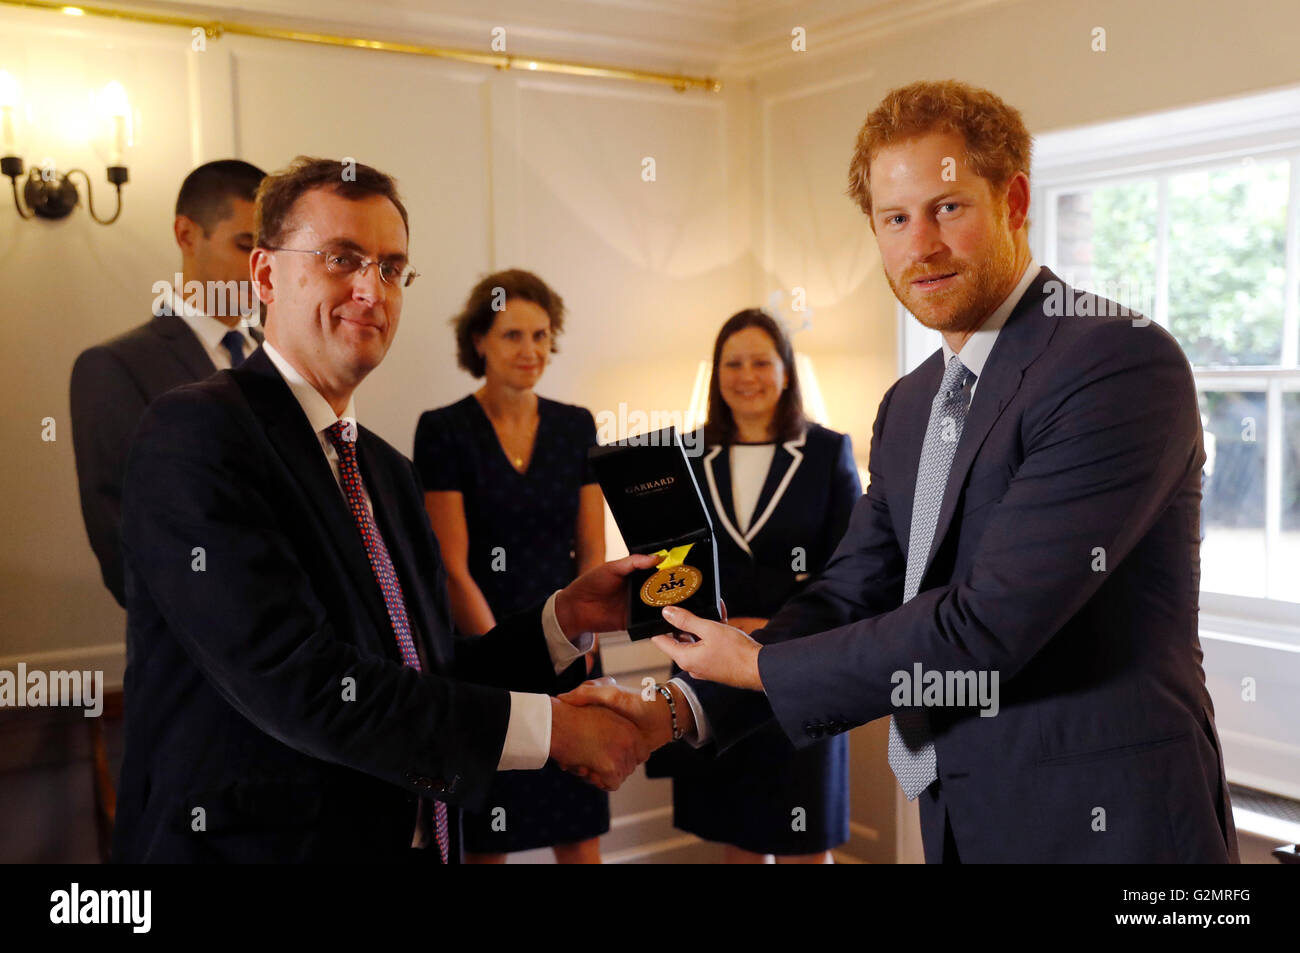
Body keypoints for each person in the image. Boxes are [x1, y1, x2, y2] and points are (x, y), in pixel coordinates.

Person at [564, 80, 1239, 864]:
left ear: (1014, 199)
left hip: (1110, 824)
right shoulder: (912, 403)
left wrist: (759, 661)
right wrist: (673, 709)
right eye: (895, 218)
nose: (920, 245)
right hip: (957, 813)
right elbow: (851, 592)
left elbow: (986, 626)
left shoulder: (1115, 362)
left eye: (948, 207)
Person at [112, 156, 655, 863]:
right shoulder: (196, 433)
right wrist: (551, 728)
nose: (371, 289)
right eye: (343, 258)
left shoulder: (388, 470)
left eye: (392, 267)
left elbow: (429, 670)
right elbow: (299, 680)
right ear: (267, 275)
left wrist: (565, 619)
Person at [415, 269, 610, 864]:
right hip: (483, 657)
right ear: (479, 342)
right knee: (486, 837)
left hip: (568, 650)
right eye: (512, 336)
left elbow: (592, 554)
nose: (531, 351)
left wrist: (579, 640)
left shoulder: (576, 425)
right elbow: (451, 566)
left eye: (542, 335)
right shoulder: (444, 430)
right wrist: (505, 654)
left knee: (577, 831)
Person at [650, 309, 859, 863]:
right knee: (736, 838)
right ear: (716, 375)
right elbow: (670, 564)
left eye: (761, 361)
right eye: (732, 363)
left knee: (804, 839)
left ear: (786, 370)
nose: (747, 375)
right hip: (710, 667)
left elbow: (849, 569)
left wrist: (766, 630)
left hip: (801, 669)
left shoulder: (827, 451)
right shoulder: (684, 456)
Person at [71, 159, 267, 607]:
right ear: (186, 234)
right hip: (195, 654)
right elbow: (123, 542)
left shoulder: (285, 358)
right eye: (245, 244)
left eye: (271, 250)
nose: (261, 267)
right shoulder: (115, 366)